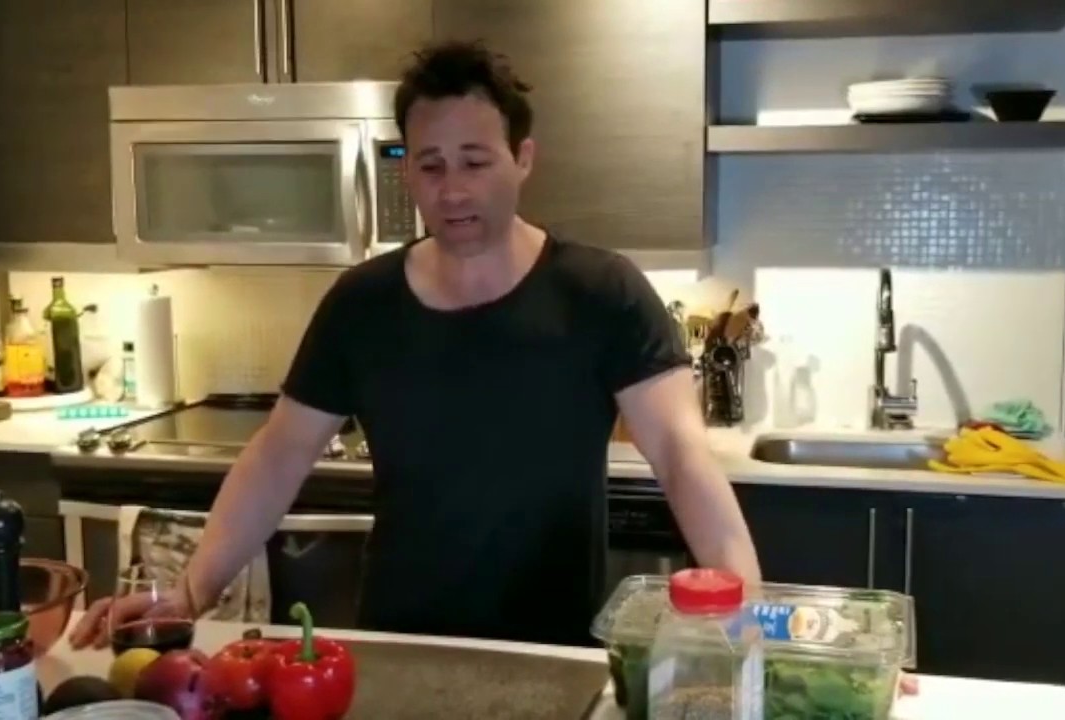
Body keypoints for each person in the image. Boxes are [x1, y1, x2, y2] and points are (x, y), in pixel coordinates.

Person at [71, 39, 761, 650]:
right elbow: (278, 456)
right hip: (400, 645)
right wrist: (188, 593)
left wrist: (747, 618)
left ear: (522, 159)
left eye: (475, 162)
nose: (453, 191)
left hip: (555, 651)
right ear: (407, 171)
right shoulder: (362, 304)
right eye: (430, 166)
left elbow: (680, 456)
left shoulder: (601, 293)